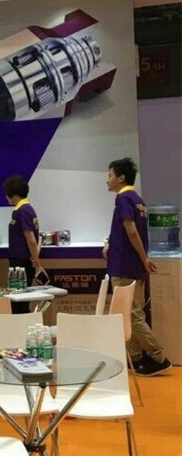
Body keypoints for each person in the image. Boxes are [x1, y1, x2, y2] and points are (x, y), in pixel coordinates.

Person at [104, 157, 171, 377]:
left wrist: (144, 259)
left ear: (121, 178)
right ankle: (136, 359)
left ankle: (158, 356)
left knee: (131, 314)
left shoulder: (123, 198)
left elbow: (132, 231)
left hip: (125, 265)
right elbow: (125, 231)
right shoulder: (138, 200)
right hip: (131, 266)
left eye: (110, 175)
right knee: (126, 314)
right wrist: (110, 243)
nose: (107, 179)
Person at [3, 174, 43, 313]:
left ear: (13, 195)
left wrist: (37, 262)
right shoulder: (26, 209)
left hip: (22, 263)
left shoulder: (23, 211)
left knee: (19, 301)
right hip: (21, 262)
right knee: (19, 300)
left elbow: (31, 239)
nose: (5, 197)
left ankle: (23, 324)